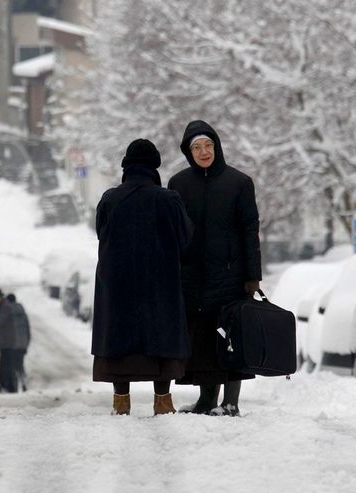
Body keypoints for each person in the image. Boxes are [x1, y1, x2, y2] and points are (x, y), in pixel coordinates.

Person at [92, 138, 193, 416]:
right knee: (160, 339)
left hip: (117, 283)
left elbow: (100, 232)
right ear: (154, 167)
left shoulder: (110, 199)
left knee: (119, 339)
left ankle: (121, 400)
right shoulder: (168, 200)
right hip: (159, 284)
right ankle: (162, 399)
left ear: (126, 166)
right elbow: (186, 239)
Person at [168, 120, 262, 417]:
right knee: (205, 340)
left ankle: (231, 402)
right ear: (188, 151)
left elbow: (250, 230)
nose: (204, 151)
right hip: (193, 277)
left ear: (217, 147)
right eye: (197, 147)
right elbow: (173, 232)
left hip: (231, 276)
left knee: (232, 337)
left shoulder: (239, 183)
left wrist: (252, 276)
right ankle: (207, 400)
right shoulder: (178, 184)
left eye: (208, 145)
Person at [6, 293, 31, 392]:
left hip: (12, 344)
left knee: (12, 365)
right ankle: (23, 381)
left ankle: (14, 384)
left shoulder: (7, 313)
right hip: (22, 344)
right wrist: (26, 343)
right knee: (20, 364)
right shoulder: (22, 312)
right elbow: (27, 329)